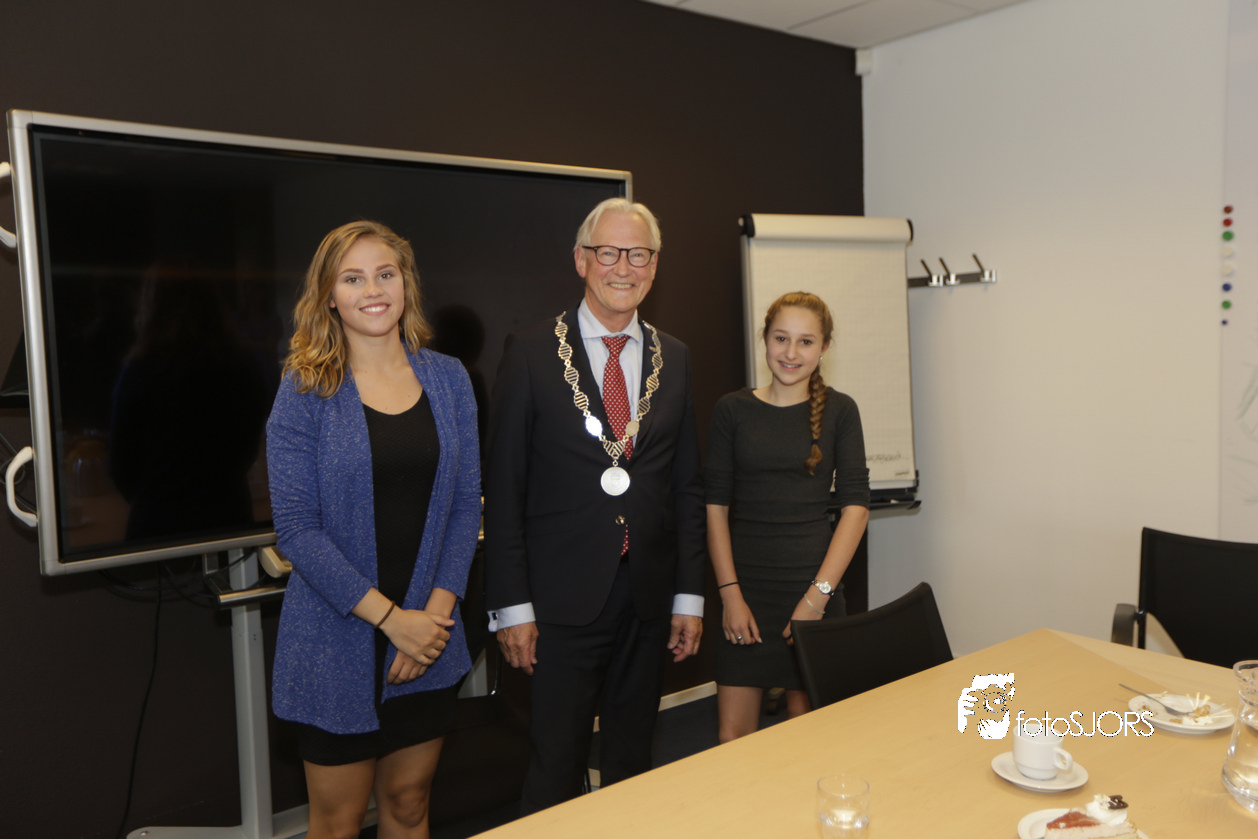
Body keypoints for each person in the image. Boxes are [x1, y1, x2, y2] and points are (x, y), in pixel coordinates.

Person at [482, 197, 706, 813]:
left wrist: (689, 596)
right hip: (558, 605)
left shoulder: (675, 357)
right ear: (581, 259)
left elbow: (686, 486)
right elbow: (503, 490)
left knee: (633, 764)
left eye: (639, 255)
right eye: (609, 252)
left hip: (649, 597)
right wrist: (511, 607)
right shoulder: (530, 352)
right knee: (556, 767)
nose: (623, 268)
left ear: (655, 266)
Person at [266, 220, 481, 839]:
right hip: (335, 642)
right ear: (329, 296)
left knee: (410, 804)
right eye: (353, 278)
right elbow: (297, 531)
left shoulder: (449, 378)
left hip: (430, 637)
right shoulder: (304, 388)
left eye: (385, 274)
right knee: (336, 824)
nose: (373, 290)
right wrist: (393, 622)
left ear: (406, 283)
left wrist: (431, 622)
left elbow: (465, 505)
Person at [705, 291, 870, 743]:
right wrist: (730, 596)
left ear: (824, 348)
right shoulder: (732, 410)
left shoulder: (841, 410)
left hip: (814, 589)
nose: (791, 353)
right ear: (765, 339)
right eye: (781, 338)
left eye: (805, 341)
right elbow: (714, 507)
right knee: (733, 741)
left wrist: (816, 599)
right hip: (745, 594)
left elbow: (856, 509)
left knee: (810, 738)